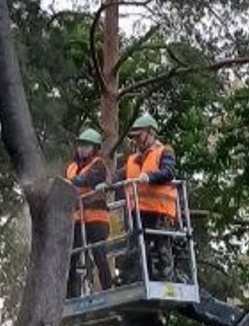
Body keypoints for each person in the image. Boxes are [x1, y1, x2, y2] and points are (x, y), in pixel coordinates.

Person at [122, 112, 178, 281]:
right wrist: (106, 182)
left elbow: (169, 172)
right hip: (139, 210)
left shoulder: (164, 151)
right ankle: (140, 278)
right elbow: (120, 175)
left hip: (159, 209)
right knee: (137, 246)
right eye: (134, 137)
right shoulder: (133, 159)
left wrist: (150, 177)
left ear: (151, 133)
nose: (136, 140)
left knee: (161, 248)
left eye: (139, 136)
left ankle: (166, 278)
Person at [66, 127, 113, 297]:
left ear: (94, 148)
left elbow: (87, 180)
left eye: (86, 146)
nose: (82, 149)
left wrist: (70, 182)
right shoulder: (71, 167)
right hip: (78, 220)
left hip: (97, 219)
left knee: (99, 255)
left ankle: (108, 291)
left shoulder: (98, 164)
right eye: (80, 145)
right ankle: (71, 296)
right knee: (72, 258)